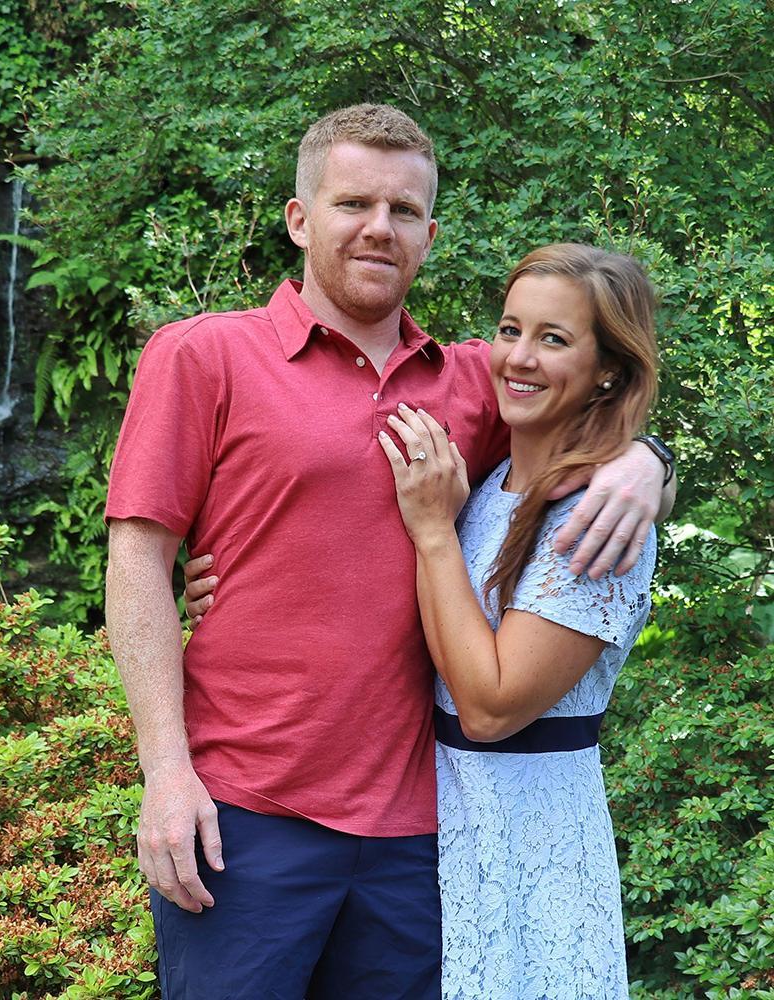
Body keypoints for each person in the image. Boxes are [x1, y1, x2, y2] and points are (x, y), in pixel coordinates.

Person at [105, 105, 673, 999]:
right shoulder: (205, 355)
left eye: (404, 211)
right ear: (299, 219)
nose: (380, 227)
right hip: (247, 816)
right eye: (353, 203)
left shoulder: (475, 382)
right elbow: (138, 561)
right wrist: (166, 775)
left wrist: (650, 464)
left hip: (421, 833)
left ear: (430, 234)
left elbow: (584, 393)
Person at [378, 244, 659, 997]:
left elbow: (491, 706)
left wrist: (433, 532)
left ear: (608, 368)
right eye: (510, 329)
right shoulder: (488, 481)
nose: (520, 357)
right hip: (430, 829)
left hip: (531, 837)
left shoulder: (598, 519)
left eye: (554, 338)